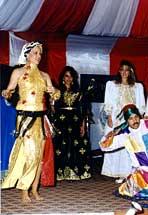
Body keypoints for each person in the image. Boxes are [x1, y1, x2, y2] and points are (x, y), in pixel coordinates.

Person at [1, 41, 60, 203]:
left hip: (41, 119)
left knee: (39, 156)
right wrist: (6, 93)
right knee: (30, 154)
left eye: (40, 53)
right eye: (35, 53)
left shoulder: (44, 76)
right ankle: (24, 191)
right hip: (26, 118)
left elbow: (55, 95)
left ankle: (34, 189)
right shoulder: (19, 72)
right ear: (26, 54)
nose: (38, 56)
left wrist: (54, 92)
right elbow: (9, 90)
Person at [102, 60, 145, 181]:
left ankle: (129, 173)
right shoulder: (112, 84)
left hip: (131, 119)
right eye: (122, 69)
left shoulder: (137, 86)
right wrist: (109, 116)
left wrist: (139, 119)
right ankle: (118, 173)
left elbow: (141, 105)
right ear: (119, 71)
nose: (124, 72)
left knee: (130, 144)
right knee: (117, 143)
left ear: (130, 72)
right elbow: (108, 101)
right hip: (116, 118)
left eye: (127, 70)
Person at [53, 66, 92, 181]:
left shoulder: (79, 93)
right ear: (62, 78)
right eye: (66, 76)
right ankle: (60, 172)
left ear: (74, 78)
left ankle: (76, 172)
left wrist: (83, 124)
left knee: (77, 146)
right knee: (61, 146)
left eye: (71, 76)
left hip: (75, 121)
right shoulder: (57, 92)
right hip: (61, 122)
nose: (68, 78)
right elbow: (53, 109)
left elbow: (83, 110)